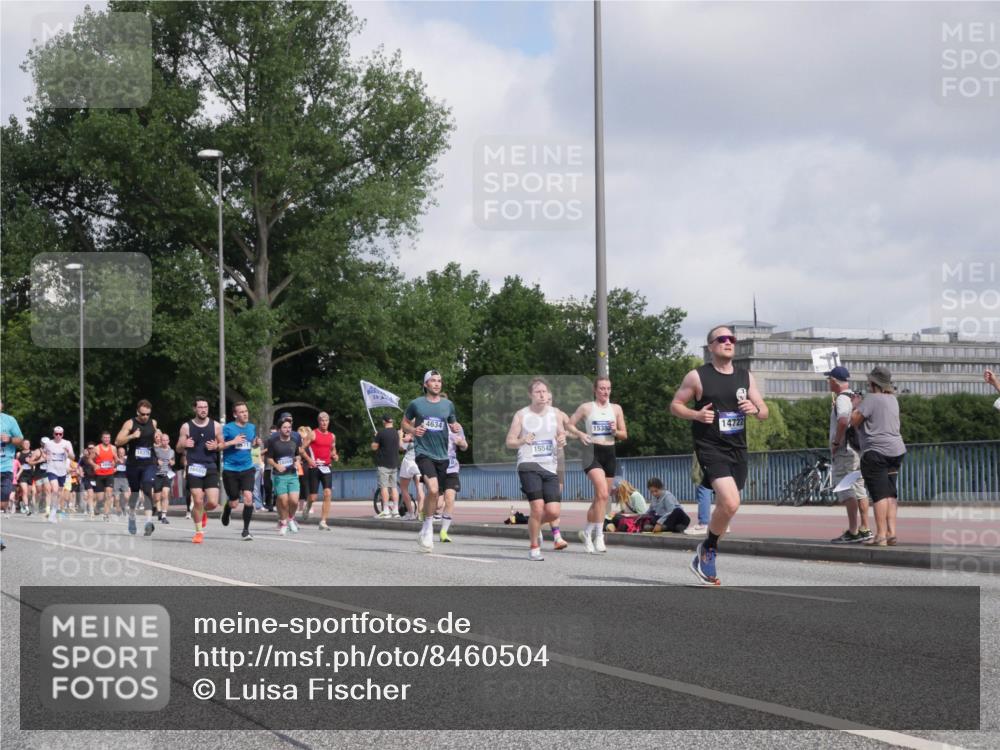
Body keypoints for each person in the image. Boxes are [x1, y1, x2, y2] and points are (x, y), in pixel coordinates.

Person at [670, 326, 768, 586]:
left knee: (728, 506)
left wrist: (754, 407)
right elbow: (676, 405)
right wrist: (697, 415)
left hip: (738, 448)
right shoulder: (697, 376)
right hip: (710, 446)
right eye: (722, 339)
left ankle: (705, 548)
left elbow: (765, 411)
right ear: (711, 346)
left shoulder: (745, 377)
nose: (728, 342)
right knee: (731, 501)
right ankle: (710, 549)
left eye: (731, 339)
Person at [506, 378, 567, 560]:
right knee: (538, 507)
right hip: (528, 463)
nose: (542, 395)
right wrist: (522, 440)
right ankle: (534, 547)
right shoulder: (521, 415)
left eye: (544, 391)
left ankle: (534, 525)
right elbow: (510, 441)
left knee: (554, 511)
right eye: (538, 392)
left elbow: (561, 434)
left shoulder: (555, 414)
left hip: (550, 465)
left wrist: (563, 439)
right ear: (530, 395)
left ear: (549, 394)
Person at [567, 377, 628, 554]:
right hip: (591, 452)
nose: (605, 392)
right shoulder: (586, 407)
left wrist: (615, 431)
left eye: (608, 388)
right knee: (602, 493)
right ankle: (599, 536)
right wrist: (580, 434)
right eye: (602, 388)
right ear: (595, 390)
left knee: (601, 498)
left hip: (609, 453)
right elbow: (569, 424)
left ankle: (587, 532)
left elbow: (624, 434)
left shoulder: (616, 409)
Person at [403, 370, 461, 553]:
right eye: (433, 381)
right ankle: (427, 529)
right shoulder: (416, 404)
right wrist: (412, 430)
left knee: (436, 496)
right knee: (433, 489)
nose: (437, 384)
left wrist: (456, 426)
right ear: (425, 384)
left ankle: (425, 526)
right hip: (423, 452)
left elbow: (453, 423)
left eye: (439, 381)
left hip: (442, 455)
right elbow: (404, 423)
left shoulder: (448, 405)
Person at [850, 366, 906, 547]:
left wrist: (855, 407)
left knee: (879, 495)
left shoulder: (871, 398)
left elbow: (854, 421)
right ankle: (891, 533)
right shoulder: (893, 399)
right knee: (890, 493)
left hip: (876, 452)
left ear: (873, 382)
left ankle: (880, 535)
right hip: (896, 450)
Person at [825, 366, 872, 544]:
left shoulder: (842, 399)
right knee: (860, 489)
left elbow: (843, 421)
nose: (828, 382)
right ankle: (865, 528)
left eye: (829, 379)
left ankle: (853, 531)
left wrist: (836, 442)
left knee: (846, 488)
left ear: (835, 381)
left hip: (844, 451)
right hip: (857, 450)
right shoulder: (854, 397)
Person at [176, 397, 222, 543]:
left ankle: (203, 512)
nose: (203, 410)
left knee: (213, 503)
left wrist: (217, 447)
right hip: (194, 467)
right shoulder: (186, 426)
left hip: (210, 466)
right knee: (197, 499)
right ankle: (198, 532)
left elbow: (222, 444)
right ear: (195, 409)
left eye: (205, 407)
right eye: (200, 407)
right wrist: (184, 444)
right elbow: (177, 448)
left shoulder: (216, 426)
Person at [115, 399, 161, 536]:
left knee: (147, 489)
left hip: (149, 463)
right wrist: (132, 436)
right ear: (137, 412)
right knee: (134, 493)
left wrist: (158, 436)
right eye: (143, 414)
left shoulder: (153, 423)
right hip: (133, 464)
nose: (145, 417)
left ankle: (148, 522)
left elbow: (156, 434)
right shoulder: (130, 423)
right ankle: (132, 517)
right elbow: (117, 441)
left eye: (148, 414)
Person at [221, 402, 260, 541]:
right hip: (230, 469)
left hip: (247, 468)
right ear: (235, 414)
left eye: (246, 411)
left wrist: (256, 443)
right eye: (241, 412)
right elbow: (218, 446)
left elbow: (251, 442)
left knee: (249, 497)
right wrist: (232, 441)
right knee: (234, 503)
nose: (245, 414)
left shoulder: (251, 427)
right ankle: (227, 508)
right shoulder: (228, 428)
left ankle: (246, 530)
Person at [267, 414, 303, 536]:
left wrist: (297, 460)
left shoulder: (295, 439)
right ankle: (283, 523)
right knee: (283, 501)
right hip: (279, 475)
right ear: (279, 429)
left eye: (289, 427)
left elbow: (298, 454)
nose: (288, 429)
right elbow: (269, 459)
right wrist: (277, 466)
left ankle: (291, 518)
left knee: (294, 501)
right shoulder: (273, 441)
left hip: (292, 474)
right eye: (284, 427)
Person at [305, 412, 339, 531]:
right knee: (313, 497)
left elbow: (333, 450)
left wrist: (335, 456)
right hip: (314, 468)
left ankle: (323, 521)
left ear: (329, 422)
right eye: (322, 421)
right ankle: (308, 506)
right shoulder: (312, 434)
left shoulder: (332, 436)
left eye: (326, 421)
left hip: (326, 467)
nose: (324, 423)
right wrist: (309, 460)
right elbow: (301, 449)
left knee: (328, 493)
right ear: (318, 421)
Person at [440, 416, 468, 543]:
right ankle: (427, 523)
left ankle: (444, 532)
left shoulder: (456, 426)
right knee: (438, 503)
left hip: (452, 468)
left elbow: (465, 446)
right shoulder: (432, 424)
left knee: (450, 498)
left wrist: (461, 443)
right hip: (436, 467)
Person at [0, 400, 24, 543]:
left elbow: (20, 440)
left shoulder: (10, 420)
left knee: (3, 503)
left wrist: (9, 439)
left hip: (6, 467)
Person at [41, 426, 75, 522]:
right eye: (56, 434)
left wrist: (67, 452)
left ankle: (54, 509)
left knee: (59, 492)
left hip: (62, 470)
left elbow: (73, 457)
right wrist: (46, 457)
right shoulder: (48, 444)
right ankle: (52, 513)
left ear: (63, 434)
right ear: (53, 434)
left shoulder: (67, 443)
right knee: (55, 490)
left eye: (60, 434)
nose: (58, 436)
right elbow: (43, 453)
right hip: (52, 469)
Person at [372, 414, 401, 519]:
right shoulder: (397, 433)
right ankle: (396, 510)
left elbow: (374, 447)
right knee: (394, 487)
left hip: (383, 463)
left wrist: (376, 437)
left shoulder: (380, 433)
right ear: (391, 421)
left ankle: (386, 510)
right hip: (394, 463)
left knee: (383, 487)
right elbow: (399, 446)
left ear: (384, 422)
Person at [684, 454, 713, 535]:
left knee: (703, 488)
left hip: (707, 457)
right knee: (720, 491)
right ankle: (723, 524)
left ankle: (704, 523)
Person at [398, 431, 423, 520]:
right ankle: (420, 514)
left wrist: (400, 435)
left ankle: (411, 513)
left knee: (404, 488)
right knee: (420, 488)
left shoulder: (409, 435)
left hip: (409, 462)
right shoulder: (424, 434)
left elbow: (400, 447)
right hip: (420, 462)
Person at [93, 432, 117, 521]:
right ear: (102, 439)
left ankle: (106, 514)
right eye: (105, 437)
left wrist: (116, 463)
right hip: (99, 474)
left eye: (108, 438)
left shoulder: (113, 448)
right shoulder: (97, 448)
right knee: (100, 498)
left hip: (109, 474)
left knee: (109, 495)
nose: (107, 439)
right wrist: (94, 465)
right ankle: (98, 506)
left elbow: (116, 458)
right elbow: (90, 459)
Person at [153, 432, 175, 524]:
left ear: (168, 441)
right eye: (163, 440)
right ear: (160, 441)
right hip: (157, 474)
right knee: (157, 498)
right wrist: (156, 461)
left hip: (167, 475)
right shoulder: (156, 450)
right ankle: (159, 511)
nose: (165, 442)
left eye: (166, 440)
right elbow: (151, 460)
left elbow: (173, 462)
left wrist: (172, 462)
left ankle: (164, 515)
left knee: (165, 494)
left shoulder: (172, 451)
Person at [16, 438, 36, 516]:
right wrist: (16, 474)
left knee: (29, 492)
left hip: (30, 474)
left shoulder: (33, 453)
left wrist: (30, 461)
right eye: (25, 443)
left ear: (30, 445)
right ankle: (27, 509)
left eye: (28, 443)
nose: (27, 445)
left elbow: (35, 464)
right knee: (24, 491)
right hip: (22, 474)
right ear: (22, 445)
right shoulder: (19, 454)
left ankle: (22, 502)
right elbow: (16, 464)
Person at [80, 443, 98, 518]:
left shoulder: (97, 457)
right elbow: (79, 466)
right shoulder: (84, 458)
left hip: (96, 478)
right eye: (89, 448)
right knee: (90, 494)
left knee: (96, 496)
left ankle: (93, 508)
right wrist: (80, 472)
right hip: (87, 477)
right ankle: (92, 511)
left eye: (92, 448)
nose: (90, 449)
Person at [112, 447, 129, 517]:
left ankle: (124, 507)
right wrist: (114, 469)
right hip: (116, 479)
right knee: (116, 497)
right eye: (120, 452)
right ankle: (118, 510)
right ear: (117, 453)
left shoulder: (127, 460)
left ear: (124, 453)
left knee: (126, 497)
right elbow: (111, 469)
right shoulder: (114, 461)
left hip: (125, 479)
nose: (121, 454)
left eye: (122, 452)